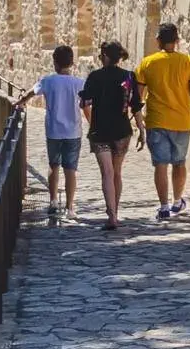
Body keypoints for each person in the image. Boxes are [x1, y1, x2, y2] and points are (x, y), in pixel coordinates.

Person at [135, 23, 190, 221]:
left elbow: (138, 96)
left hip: (156, 120)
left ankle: (164, 206)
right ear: (177, 41)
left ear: (158, 40)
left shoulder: (147, 63)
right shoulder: (188, 62)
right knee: (179, 163)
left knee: (160, 165)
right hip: (181, 121)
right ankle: (177, 201)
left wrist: (138, 121)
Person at [15, 45, 85, 224]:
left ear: (55, 63)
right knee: (71, 170)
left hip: (53, 131)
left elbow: (32, 92)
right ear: (72, 63)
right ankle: (69, 207)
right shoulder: (79, 83)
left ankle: (53, 200)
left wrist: (21, 101)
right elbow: (87, 103)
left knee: (53, 165)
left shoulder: (48, 81)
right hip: (73, 131)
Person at [78, 41, 138, 230]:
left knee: (107, 172)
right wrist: (142, 129)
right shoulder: (128, 76)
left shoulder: (95, 77)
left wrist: (90, 122)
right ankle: (116, 212)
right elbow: (135, 105)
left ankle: (111, 214)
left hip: (100, 131)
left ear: (104, 56)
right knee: (117, 172)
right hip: (121, 130)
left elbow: (85, 101)